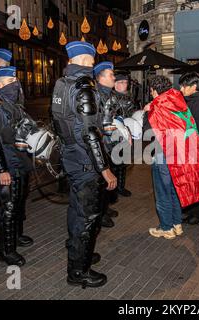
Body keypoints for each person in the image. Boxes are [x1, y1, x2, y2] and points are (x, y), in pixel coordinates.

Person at [51, 41, 117, 288]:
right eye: (91, 61)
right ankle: (79, 271)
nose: (92, 64)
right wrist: (104, 168)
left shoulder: (61, 84)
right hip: (86, 162)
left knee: (76, 210)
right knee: (87, 217)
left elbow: (59, 122)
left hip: (70, 156)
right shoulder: (84, 88)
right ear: (84, 60)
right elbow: (91, 133)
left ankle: (80, 252)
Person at [144, 76, 199, 239]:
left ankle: (166, 227)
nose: (151, 93)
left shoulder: (158, 106)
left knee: (162, 193)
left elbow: (147, 133)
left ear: (155, 91)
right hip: (180, 154)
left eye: (151, 90)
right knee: (174, 189)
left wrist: (146, 112)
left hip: (163, 154)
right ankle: (177, 224)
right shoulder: (178, 102)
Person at [0, 66, 34, 267]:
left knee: (19, 202)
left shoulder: (14, 103)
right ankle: (6, 250)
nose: (15, 85)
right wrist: (1, 170)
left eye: (15, 81)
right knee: (8, 208)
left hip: (19, 160)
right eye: (11, 82)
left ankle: (16, 236)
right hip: (5, 164)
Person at [178, 72, 199, 225]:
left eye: (184, 86)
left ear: (194, 87)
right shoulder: (190, 100)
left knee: (195, 183)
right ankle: (189, 211)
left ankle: (198, 215)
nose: (181, 89)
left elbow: (197, 128)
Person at [93, 61, 121, 228]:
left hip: (109, 144)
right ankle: (100, 214)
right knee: (102, 181)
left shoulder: (109, 94)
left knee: (109, 178)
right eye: (111, 74)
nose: (114, 77)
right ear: (101, 78)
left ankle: (105, 207)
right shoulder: (96, 96)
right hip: (101, 145)